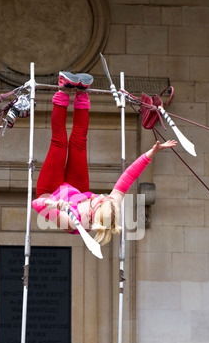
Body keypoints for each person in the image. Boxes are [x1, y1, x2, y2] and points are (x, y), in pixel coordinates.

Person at [32, 71, 177, 245]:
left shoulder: (71, 221)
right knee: (79, 142)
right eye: (102, 198)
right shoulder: (110, 204)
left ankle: (63, 90)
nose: (100, 195)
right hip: (77, 190)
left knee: (59, 142)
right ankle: (82, 94)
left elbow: (36, 204)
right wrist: (150, 154)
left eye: (97, 201)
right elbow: (129, 177)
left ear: (92, 214)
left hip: (52, 192)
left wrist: (55, 205)